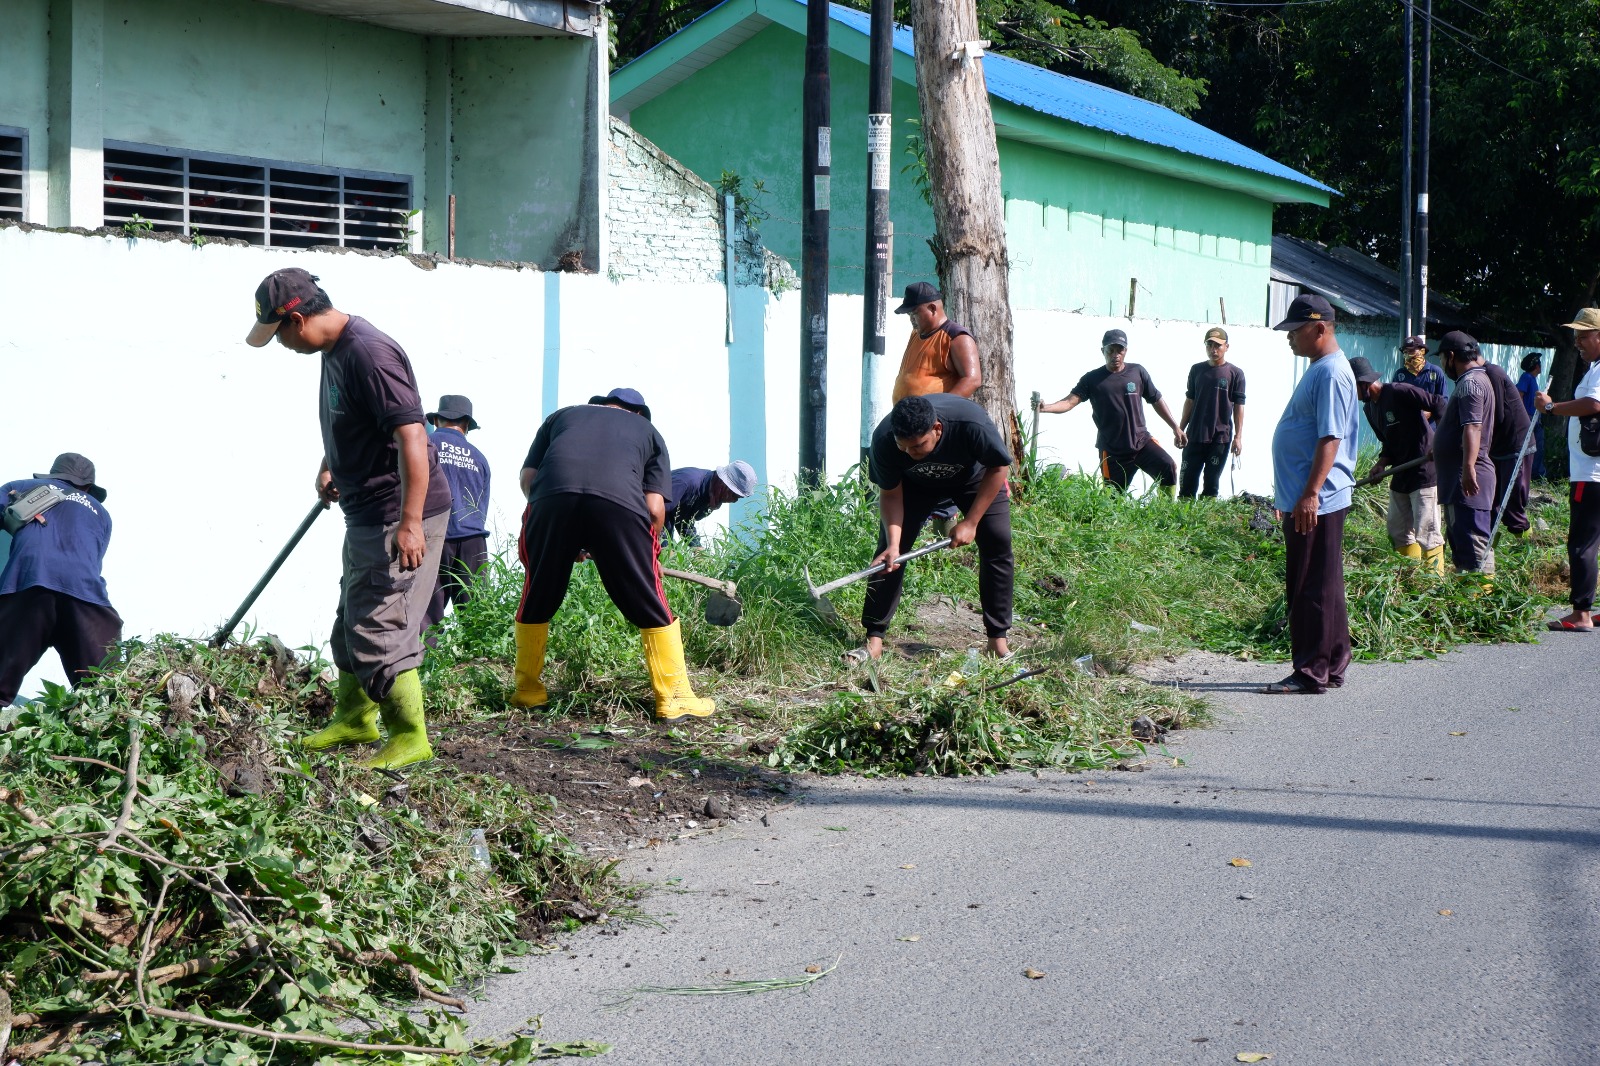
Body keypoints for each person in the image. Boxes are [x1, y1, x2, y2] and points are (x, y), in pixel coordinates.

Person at [246, 267, 451, 769]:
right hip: (365, 512)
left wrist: (409, 521)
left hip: (395, 511)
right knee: (351, 621)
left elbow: (413, 439)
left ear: (296, 319)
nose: (283, 347)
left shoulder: (369, 352)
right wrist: (331, 463)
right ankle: (355, 719)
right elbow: (351, 420)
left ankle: (409, 736)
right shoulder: (333, 349)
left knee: (382, 623)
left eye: (280, 337)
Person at [512, 388, 714, 720]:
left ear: (602, 405)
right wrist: (649, 559)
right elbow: (653, 508)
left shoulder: (562, 416)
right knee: (647, 599)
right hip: (620, 505)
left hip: (550, 500)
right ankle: (674, 697)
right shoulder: (648, 432)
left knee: (539, 591)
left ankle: (527, 691)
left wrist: (561, 530)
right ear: (638, 413)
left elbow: (529, 479)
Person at [860, 394, 1014, 661]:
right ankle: (874, 638)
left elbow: (998, 467)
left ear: (937, 429)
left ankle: (997, 641)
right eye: (903, 447)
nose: (910, 454)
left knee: (997, 543)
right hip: (914, 486)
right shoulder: (885, 439)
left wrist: (971, 522)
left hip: (973, 478)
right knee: (888, 553)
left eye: (918, 446)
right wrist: (895, 543)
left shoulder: (970, 423)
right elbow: (891, 494)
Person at [1264, 294, 1359, 695]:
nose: (1289, 338)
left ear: (1320, 328)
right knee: (1325, 581)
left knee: (1308, 584)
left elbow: (1330, 438)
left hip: (1316, 499)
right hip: (1313, 496)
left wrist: (1310, 494)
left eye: (1295, 330)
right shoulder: (1323, 368)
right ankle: (1333, 661)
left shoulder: (1331, 373)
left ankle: (1311, 670)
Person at [0, 453, 123, 705]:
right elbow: (93, 557)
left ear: (54, 475)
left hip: (30, 582)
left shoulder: (20, 487)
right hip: (85, 595)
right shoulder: (101, 512)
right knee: (105, 693)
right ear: (88, 486)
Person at [1036, 329, 1185, 494]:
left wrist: (1175, 427)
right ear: (1103, 351)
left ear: (1126, 351)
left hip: (1142, 443)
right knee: (1113, 498)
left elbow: (1156, 400)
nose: (1116, 355)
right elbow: (1069, 402)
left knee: (1168, 467)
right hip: (1113, 452)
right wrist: (1045, 408)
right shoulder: (1092, 379)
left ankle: (1165, 513)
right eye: (1111, 350)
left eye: (1120, 350)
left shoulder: (1138, 372)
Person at [1533, 308, 1600, 632]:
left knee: (1582, 543)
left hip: (1591, 473)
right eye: (1576, 336)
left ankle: (1582, 613)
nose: (1578, 342)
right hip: (1592, 470)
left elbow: (1593, 405)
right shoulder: (1595, 368)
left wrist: (1551, 407)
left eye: (1584, 336)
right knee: (1594, 542)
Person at [1355, 356, 1447, 573]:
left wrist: (1441, 442)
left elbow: (1438, 404)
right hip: (1402, 473)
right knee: (1398, 530)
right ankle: (1411, 577)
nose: (1352, 395)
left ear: (1364, 384)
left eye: (1353, 388)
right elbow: (1388, 443)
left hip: (1424, 469)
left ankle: (1434, 585)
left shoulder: (1399, 391)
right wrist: (1380, 465)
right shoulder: (1370, 409)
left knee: (1428, 531)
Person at [421, 395, 491, 645]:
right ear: (466, 425)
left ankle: (427, 671)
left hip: (434, 537)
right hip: (473, 542)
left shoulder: (425, 444)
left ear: (438, 419)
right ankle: (479, 670)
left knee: (426, 615)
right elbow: (481, 503)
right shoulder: (479, 458)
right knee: (477, 617)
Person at [1434, 331, 1498, 579]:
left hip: (1468, 479)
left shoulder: (1471, 384)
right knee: (1462, 541)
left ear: (1451, 356)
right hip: (1458, 477)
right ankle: (1468, 599)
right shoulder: (1470, 382)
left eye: (1441, 358)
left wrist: (1469, 466)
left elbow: (1473, 426)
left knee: (1474, 542)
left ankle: (1481, 603)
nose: (1442, 365)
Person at [1178, 327, 1246, 499]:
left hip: (1220, 437)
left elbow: (1239, 406)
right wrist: (1180, 429)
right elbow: (1190, 401)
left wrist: (1238, 436)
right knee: (1187, 484)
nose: (1213, 350)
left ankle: (1206, 523)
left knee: (1211, 484)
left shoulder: (1235, 374)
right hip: (1195, 435)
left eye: (1218, 346)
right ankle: (1182, 523)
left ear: (1226, 347)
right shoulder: (1196, 370)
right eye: (1209, 345)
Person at [890, 281, 981, 402]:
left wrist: (939, 411)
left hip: (934, 419)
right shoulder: (916, 334)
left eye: (915, 313)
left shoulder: (956, 337)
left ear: (932, 308)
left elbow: (972, 380)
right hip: (906, 416)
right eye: (909, 314)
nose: (911, 319)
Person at [1481, 358, 1533, 537]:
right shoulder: (1475, 376)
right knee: (1489, 500)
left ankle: (1525, 547)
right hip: (1497, 446)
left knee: (1512, 500)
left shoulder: (1492, 373)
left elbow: (1497, 414)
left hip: (1515, 443)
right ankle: (1486, 549)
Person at [665, 461, 758, 546]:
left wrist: (697, 548)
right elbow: (655, 513)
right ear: (723, 484)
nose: (734, 501)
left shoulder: (709, 493)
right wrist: (665, 547)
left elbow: (683, 520)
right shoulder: (687, 482)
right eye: (735, 495)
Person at [1516, 352, 1547, 480]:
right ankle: (1536, 475)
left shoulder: (1531, 379)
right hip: (1529, 418)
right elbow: (1519, 395)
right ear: (1536, 367)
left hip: (1534, 418)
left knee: (1537, 445)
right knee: (1535, 446)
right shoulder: (1527, 377)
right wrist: (1522, 416)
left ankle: (1536, 473)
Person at [1393, 334, 1447, 402]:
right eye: (1405, 352)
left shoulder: (1436, 372)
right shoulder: (1399, 374)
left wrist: (1430, 412)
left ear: (1422, 351)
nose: (1408, 355)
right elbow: (1393, 400)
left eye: (1411, 351)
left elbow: (1443, 401)